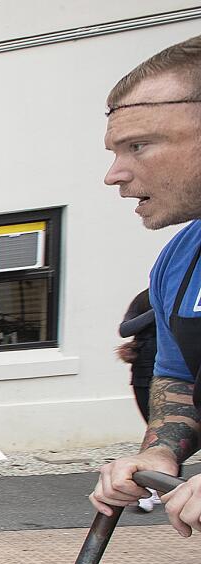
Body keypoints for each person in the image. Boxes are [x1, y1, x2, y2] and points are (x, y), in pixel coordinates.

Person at [93, 36, 201, 537]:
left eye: (139, 145)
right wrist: (158, 451)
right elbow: (177, 379)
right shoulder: (178, 261)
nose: (114, 174)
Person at [116, 291, 162, 512]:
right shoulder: (145, 299)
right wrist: (158, 310)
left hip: (176, 374)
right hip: (144, 371)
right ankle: (158, 486)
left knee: (166, 431)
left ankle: (158, 488)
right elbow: (125, 329)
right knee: (153, 429)